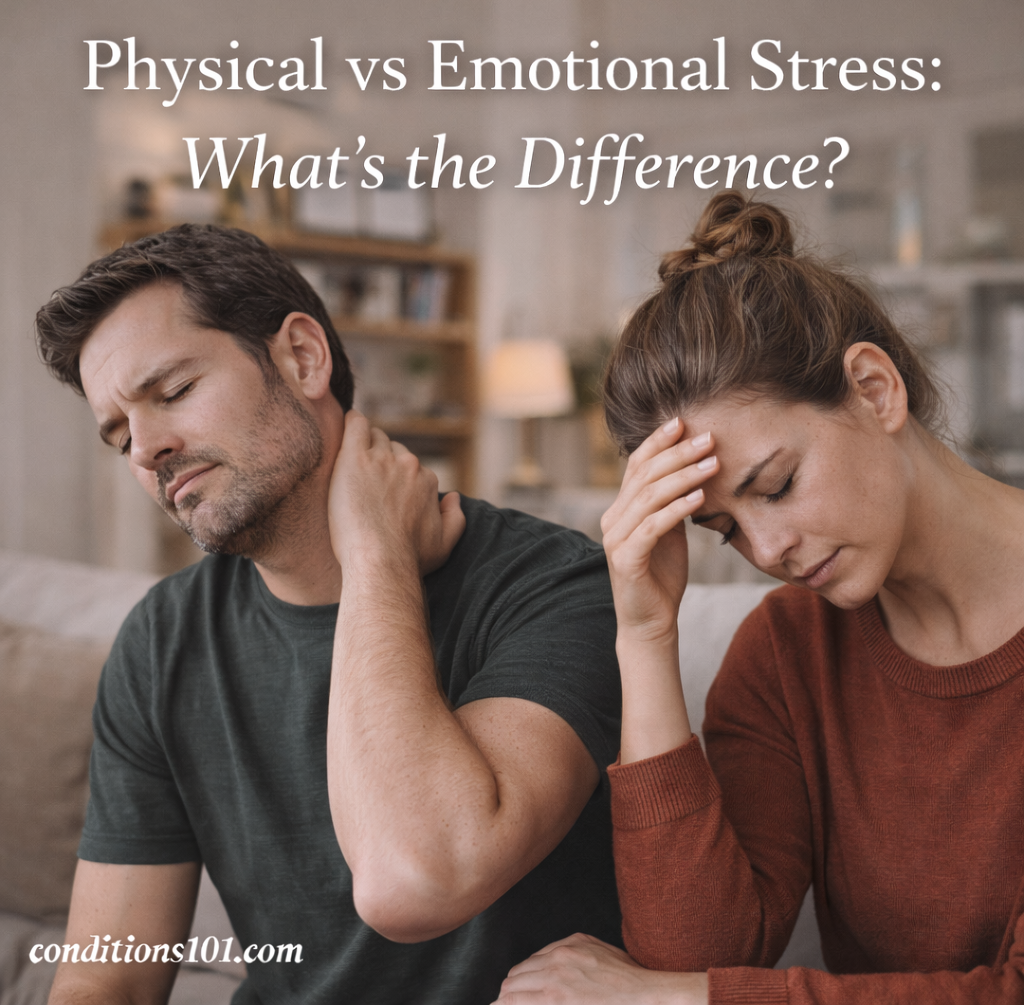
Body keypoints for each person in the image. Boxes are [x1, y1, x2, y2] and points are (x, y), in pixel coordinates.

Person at [33, 224, 622, 1005]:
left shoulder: (554, 585)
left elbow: (419, 879)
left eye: (171, 392)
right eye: (120, 436)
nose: (146, 449)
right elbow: (111, 976)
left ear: (302, 358)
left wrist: (375, 553)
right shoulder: (161, 638)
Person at [493, 191, 1024, 1004]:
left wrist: (669, 998)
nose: (768, 552)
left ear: (875, 390)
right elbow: (696, 946)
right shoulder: (789, 649)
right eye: (723, 530)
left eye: (775, 485)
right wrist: (643, 635)